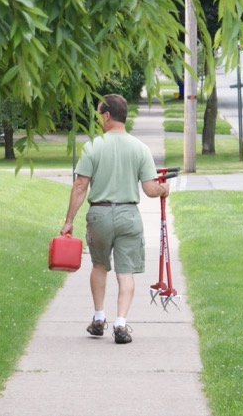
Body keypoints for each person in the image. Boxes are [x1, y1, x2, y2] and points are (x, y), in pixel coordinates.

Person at [60, 94, 170, 344]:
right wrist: (164, 189)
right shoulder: (140, 148)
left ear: (107, 116)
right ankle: (120, 323)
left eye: (99, 114)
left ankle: (99, 318)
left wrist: (69, 220)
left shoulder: (93, 146)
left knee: (99, 266)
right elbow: (150, 189)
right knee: (126, 271)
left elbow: (80, 186)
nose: (98, 119)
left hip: (99, 214)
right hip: (128, 216)